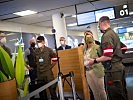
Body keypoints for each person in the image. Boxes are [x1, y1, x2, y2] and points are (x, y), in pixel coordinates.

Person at [88, 16, 127, 100]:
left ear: (103, 23)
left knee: (115, 95)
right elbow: (124, 48)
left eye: (99, 25)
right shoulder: (113, 33)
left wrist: (94, 60)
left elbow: (108, 56)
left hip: (112, 70)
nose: (99, 27)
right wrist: (117, 55)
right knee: (122, 93)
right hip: (118, 67)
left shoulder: (107, 36)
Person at [83, 31, 107, 100]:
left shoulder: (97, 47)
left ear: (93, 38)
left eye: (90, 37)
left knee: (101, 90)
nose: (89, 39)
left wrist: (95, 60)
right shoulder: (84, 49)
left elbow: (103, 57)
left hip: (96, 70)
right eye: (87, 38)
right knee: (94, 92)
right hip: (88, 71)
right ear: (85, 39)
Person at [35, 36, 58, 100]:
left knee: (52, 89)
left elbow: (55, 59)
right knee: (41, 91)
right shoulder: (36, 51)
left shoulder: (48, 50)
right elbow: (35, 61)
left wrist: (50, 66)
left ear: (43, 42)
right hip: (39, 73)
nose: (38, 43)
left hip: (48, 73)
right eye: (37, 42)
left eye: (40, 42)